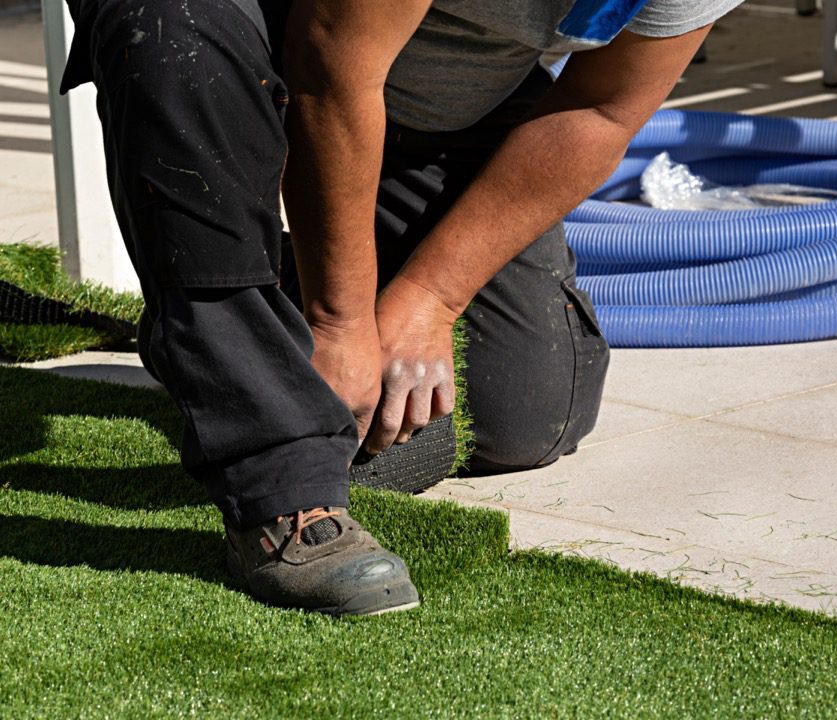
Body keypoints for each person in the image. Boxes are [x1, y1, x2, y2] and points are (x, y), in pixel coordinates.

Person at [59, 0, 743, 616]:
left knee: (522, 415)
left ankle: (264, 336)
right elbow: (330, 60)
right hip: (257, 37)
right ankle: (279, 490)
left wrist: (428, 300)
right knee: (175, 28)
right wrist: (341, 321)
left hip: (435, 102)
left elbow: (602, 110)